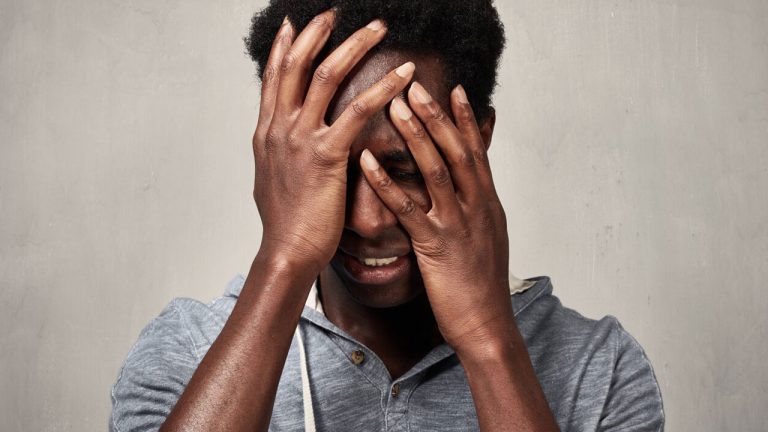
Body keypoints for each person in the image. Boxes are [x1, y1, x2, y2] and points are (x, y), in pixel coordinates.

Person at [110, 1, 665, 431]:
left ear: (477, 142)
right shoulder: (189, 349)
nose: (369, 221)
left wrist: (487, 337)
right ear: (279, 159)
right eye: (333, 172)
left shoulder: (599, 368)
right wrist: (284, 258)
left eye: (404, 170)